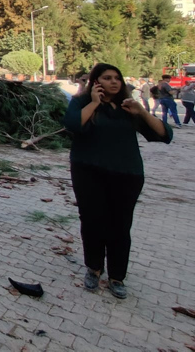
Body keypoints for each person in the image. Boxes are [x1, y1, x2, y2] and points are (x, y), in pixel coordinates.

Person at [63, 63, 172, 299]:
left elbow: (164, 135)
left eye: (117, 78)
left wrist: (142, 112)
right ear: (96, 81)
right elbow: (73, 126)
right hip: (88, 171)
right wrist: (94, 103)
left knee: (120, 226)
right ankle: (93, 268)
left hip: (127, 174)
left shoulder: (128, 107)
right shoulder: (81, 103)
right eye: (107, 78)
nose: (114, 82)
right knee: (92, 221)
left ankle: (117, 276)